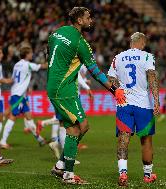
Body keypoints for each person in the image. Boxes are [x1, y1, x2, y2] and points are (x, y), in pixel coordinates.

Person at [47, 7, 125, 185]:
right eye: (88, 17)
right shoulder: (80, 43)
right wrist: (114, 91)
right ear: (79, 21)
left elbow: (49, 50)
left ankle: (61, 165)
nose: (91, 20)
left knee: (82, 126)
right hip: (63, 89)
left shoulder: (57, 32)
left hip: (59, 86)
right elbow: (96, 72)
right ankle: (68, 175)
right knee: (77, 128)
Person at [108, 32, 159, 186]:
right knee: (146, 140)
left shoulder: (118, 57)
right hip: (143, 104)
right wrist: (156, 100)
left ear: (131, 42)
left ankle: (123, 174)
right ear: (142, 43)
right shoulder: (147, 56)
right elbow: (152, 77)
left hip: (124, 104)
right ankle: (147, 175)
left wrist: (118, 92)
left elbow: (110, 79)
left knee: (123, 138)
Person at [37, 71, 93, 161]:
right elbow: (76, 75)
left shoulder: (59, 64)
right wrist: (87, 87)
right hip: (68, 97)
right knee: (73, 124)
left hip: (64, 95)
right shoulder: (70, 62)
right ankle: (66, 155)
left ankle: (58, 146)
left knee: (66, 124)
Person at [0, 46, 48, 149]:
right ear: (26, 54)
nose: (32, 54)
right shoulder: (28, 64)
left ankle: (40, 139)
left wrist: (26, 87)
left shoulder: (17, 64)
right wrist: (53, 63)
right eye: (30, 53)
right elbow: (42, 66)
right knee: (13, 116)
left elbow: (15, 78)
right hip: (18, 94)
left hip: (19, 94)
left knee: (29, 116)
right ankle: (3, 142)